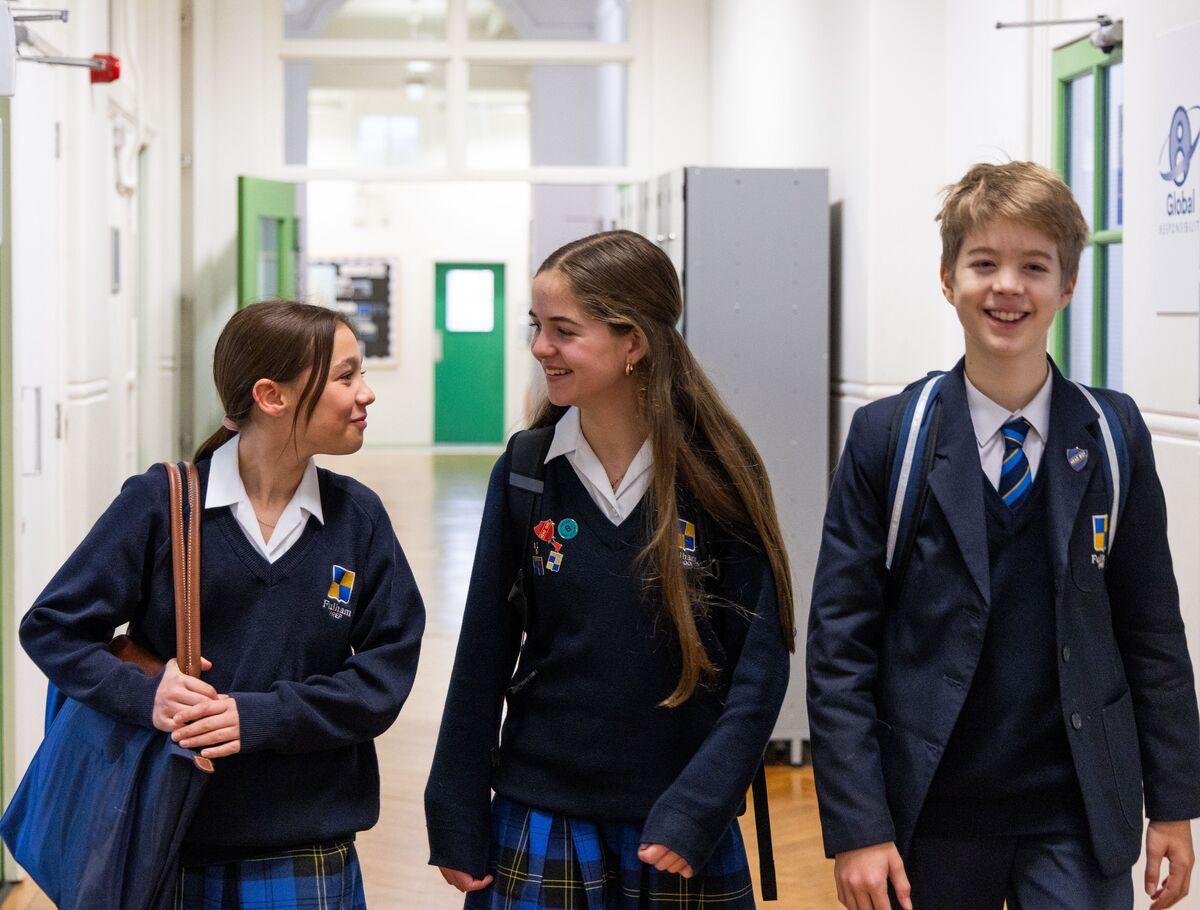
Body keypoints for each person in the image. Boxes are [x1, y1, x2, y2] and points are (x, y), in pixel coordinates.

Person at [807, 161, 1200, 910]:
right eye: (984, 263)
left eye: (1034, 266)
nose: (1008, 287)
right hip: (929, 814)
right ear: (948, 278)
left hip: (1075, 816)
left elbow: (1153, 632)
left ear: (1068, 285)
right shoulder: (889, 436)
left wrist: (1175, 802)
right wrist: (859, 823)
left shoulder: (1114, 433)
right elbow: (839, 647)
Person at [425, 230, 793, 908]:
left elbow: (761, 669)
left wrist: (703, 802)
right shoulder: (528, 471)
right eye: (537, 328)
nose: (540, 348)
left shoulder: (718, 478)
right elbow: (483, 649)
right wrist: (453, 804)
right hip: (540, 807)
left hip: (679, 823)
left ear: (634, 343)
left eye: (563, 330)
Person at [20, 300, 426, 909]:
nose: (365, 393)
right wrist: (147, 695)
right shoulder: (160, 504)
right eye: (346, 376)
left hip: (309, 842)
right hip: (170, 841)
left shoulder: (358, 517)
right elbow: (52, 628)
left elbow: (384, 676)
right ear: (271, 395)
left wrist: (256, 717)